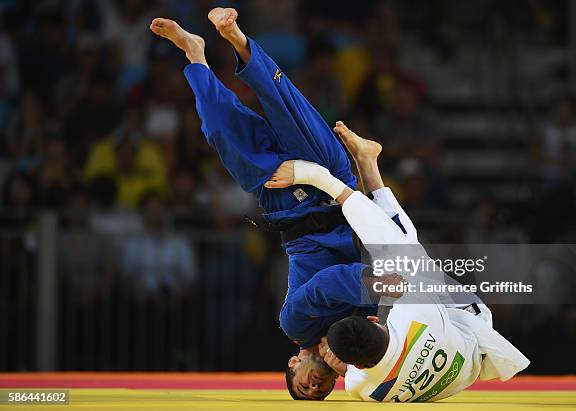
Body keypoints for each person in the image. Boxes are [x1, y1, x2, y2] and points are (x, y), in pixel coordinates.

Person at [149, 9, 403, 400]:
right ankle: (235, 39)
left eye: (303, 385)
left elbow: (325, 285)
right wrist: (359, 340)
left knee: (219, 128)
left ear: (292, 363)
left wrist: (372, 286)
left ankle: (199, 52)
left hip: (285, 202)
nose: (315, 385)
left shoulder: (296, 326)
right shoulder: (354, 341)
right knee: (287, 104)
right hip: (333, 190)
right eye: (320, 391)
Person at [265, 123, 530, 403]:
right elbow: (384, 236)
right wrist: (319, 178)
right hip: (465, 319)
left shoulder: (360, 386)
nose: (317, 386)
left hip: (462, 366)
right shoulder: (412, 317)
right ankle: (347, 169)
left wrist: (348, 367)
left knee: (402, 249)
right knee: (397, 249)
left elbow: (361, 371)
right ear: (373, 319)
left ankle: (367, 159)